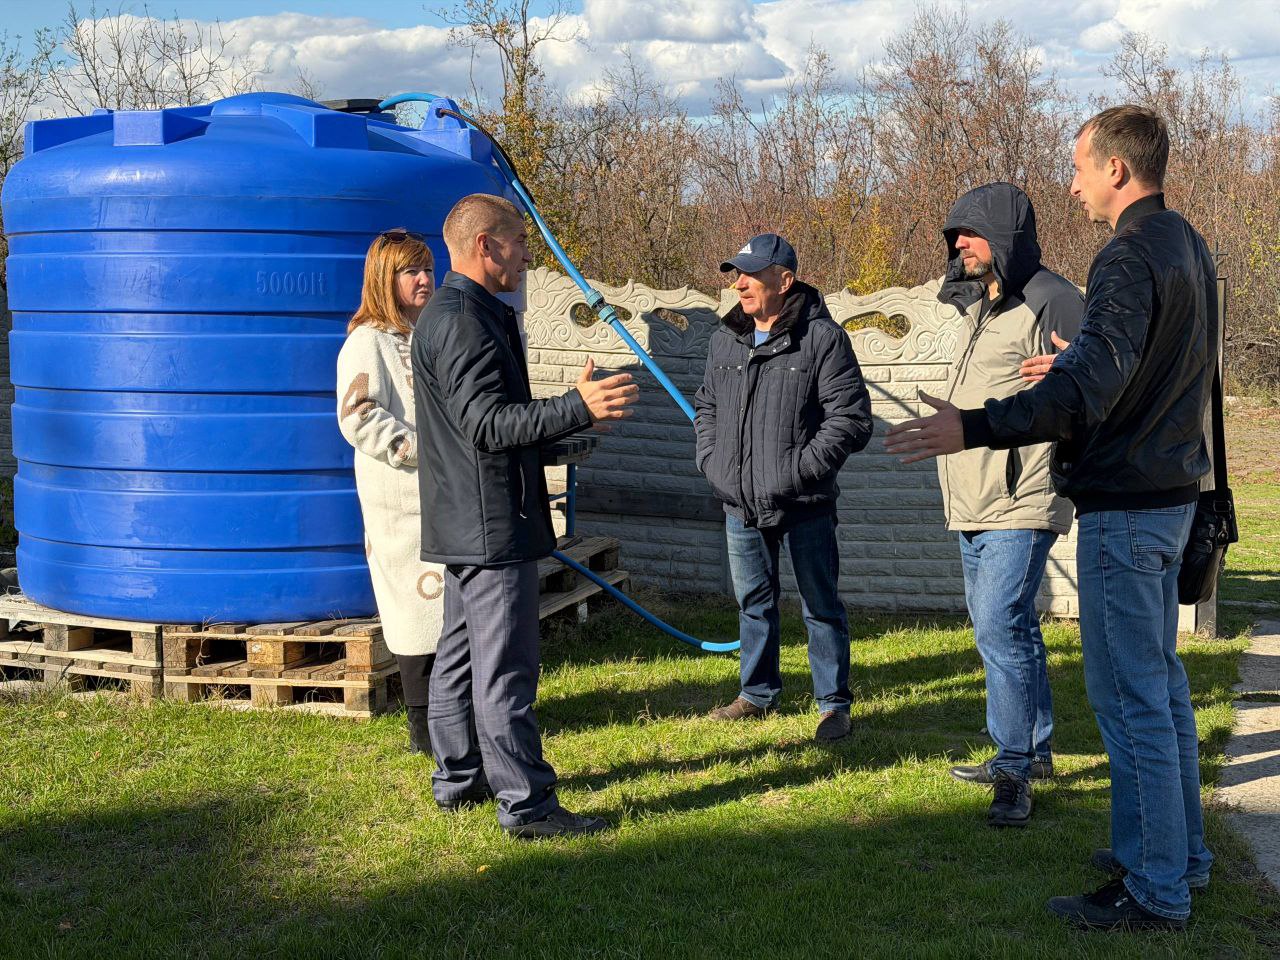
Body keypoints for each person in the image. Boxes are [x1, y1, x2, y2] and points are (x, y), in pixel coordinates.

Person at [885, 106, 1217, 931]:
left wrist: (975, 422)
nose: (1070, 185)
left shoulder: (1127, 255)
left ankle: (1155, 890)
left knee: (1131, 700)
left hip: (1129, 507)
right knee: (1164, 694)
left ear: (1116, 169)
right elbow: (1152, 373)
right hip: (1170, 498)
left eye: (1079, 166)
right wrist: (1074, 361)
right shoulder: (1187, 245)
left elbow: (1091, 393)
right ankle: (1177, 856)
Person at [411, 193, 638, 839]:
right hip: (490, 526)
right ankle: (529, 807)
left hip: (469, 519)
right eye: (518, 240)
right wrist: (575, 405)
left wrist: (572, 424)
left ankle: (458, 781)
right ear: (486, 245)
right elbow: (485, 426)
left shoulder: (470, 312)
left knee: (458, 658)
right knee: (505, 670)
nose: (528, 254)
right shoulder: (462, 320)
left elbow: (478, 425)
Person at [931, 183, 1084, 827]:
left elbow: (1081, 386)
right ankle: (1036, 748)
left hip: (1022, 497)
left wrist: (1065, 370)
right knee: (1008, 625)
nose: (959, 246)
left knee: (998, 624)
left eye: (969, 233)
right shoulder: (983, 306)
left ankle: (1013, 767)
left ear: (1004, 236)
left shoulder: (1053, 299)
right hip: (972, 498)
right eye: (953, 236)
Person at [695, 233, 873, 741]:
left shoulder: (822, 339)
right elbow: (707, 404)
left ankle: (833, 705)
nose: (740, 283)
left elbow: (851, 421)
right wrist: (712, 461)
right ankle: (757, 693)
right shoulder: (724, 338)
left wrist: (797, 471)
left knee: (820, 604)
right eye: (736, 274)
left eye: (751, 274)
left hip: (805, 503)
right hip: (739, 502)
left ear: (785, 280)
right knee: (753, 602)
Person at [337, 228, 442, 755]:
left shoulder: (423, 333)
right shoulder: (367, 340)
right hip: (398, 501)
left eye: (427, 267)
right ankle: (423, 727)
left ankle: (454, 719)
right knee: (412, 616)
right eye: (411, 271)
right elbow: (356, 416)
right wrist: (419, 450)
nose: (425, 279)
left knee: (445, 614)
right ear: (386, 278)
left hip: (439, 497)